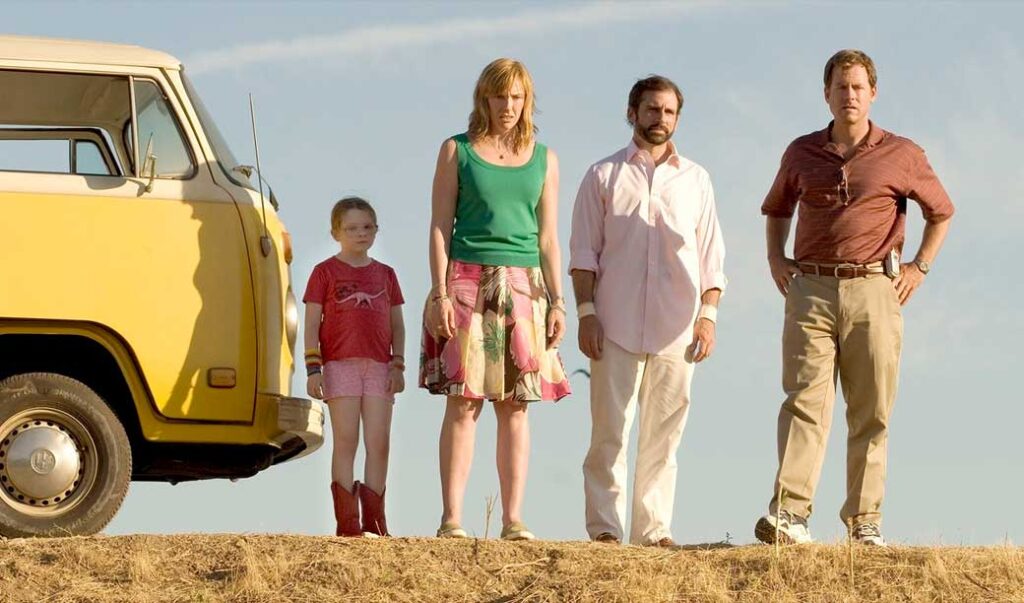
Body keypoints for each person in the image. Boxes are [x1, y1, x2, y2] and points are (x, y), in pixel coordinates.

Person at [755, 49, 954, 547]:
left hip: (875, 290)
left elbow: (941, 212)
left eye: (858, 87)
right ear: (826, 94)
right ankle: (790, 514)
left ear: (873, 93)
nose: (850, 95)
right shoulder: (801, 152)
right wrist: (776, 258)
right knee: (804, 401)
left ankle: (865, 521)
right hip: (811, 289)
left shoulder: (903, 153)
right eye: (841, 87)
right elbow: (777, 208)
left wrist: (920, 267)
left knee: (871, 409)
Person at [569, 75, 727, 547]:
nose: (661, 119)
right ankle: (605, 529)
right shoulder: (602, 176)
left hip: (678, 327)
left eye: (669, 111)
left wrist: (708, 316)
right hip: (613, 324)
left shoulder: (696, 180)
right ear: (632, 112)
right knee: (609, 433)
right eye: (652, 109)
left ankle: (654, 531)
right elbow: (583, 252)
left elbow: (711, 256)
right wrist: (586, 312)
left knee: (664, 435)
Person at [420, 58, 571, 541]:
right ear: (484, 98)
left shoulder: (545, 159)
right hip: (466, 280)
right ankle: (451, 518)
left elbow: (549, 238)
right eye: (499, 96)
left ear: (527, 101)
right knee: (463, 403)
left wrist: (559, 301)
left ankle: (513, 519)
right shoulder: (456, 151)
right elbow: (440, 226)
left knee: (516, 405)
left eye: (517, 97)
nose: (508, 106)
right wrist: (440, 291)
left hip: (525, 285)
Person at [303, 197, 406, 537]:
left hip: (379, 367)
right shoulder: (324, 272)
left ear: (376, 230)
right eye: (351, 228)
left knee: (379, 442)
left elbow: (397, 325)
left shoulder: (386, 275)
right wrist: (313, 368)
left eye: (367, 227)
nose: (360, 233)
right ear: (336, 233)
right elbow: (311, 323)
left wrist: (398, 365)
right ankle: (348, 524)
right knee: (346, 440)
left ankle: (375, 521)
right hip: (339, 365)